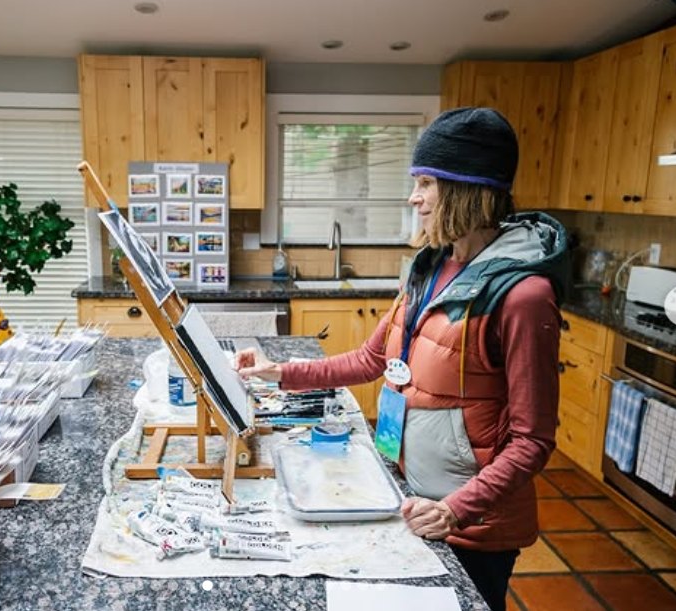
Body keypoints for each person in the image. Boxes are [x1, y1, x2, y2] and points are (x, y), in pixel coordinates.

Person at [236, 107, 570, 611]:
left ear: (467, 188)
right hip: (411, 494)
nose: (414, 197)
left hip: (473, 525)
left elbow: (532, 441)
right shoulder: (428, 268)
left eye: (426, 183)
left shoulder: (524, 297)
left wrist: (454, 510)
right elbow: (372, 359)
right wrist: (279, 372)